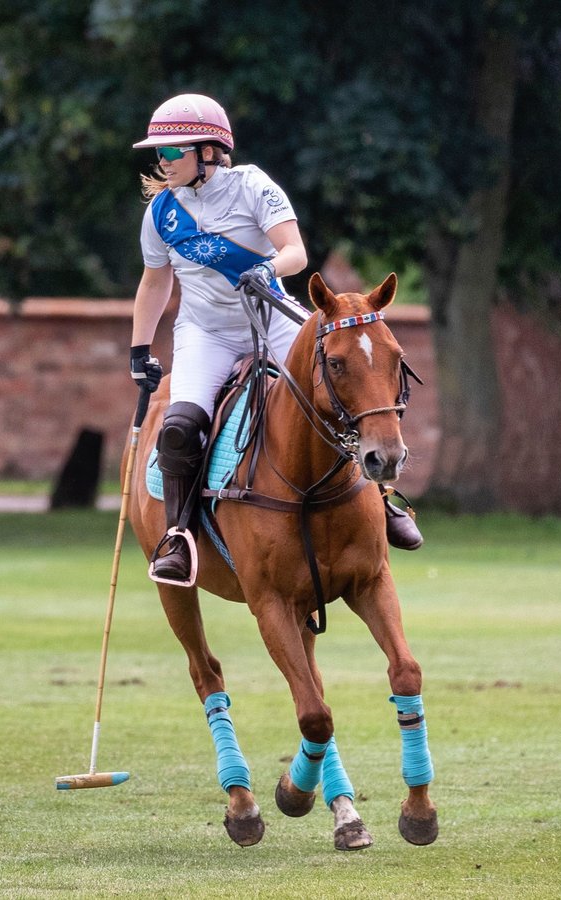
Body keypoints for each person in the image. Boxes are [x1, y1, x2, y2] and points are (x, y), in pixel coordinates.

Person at [128, 93, 422, 585]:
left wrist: (263, 270)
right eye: (159, 152)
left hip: (275, 319)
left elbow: (295, 252)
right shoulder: (161, 213)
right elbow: (154, 283)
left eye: (173, 151)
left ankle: (382, 499)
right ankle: (178, 537)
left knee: (338, 396)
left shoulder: (252, 186)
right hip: (205, 335)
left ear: (208, 150)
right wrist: (140, 352)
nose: (162, 160)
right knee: (180, 426)